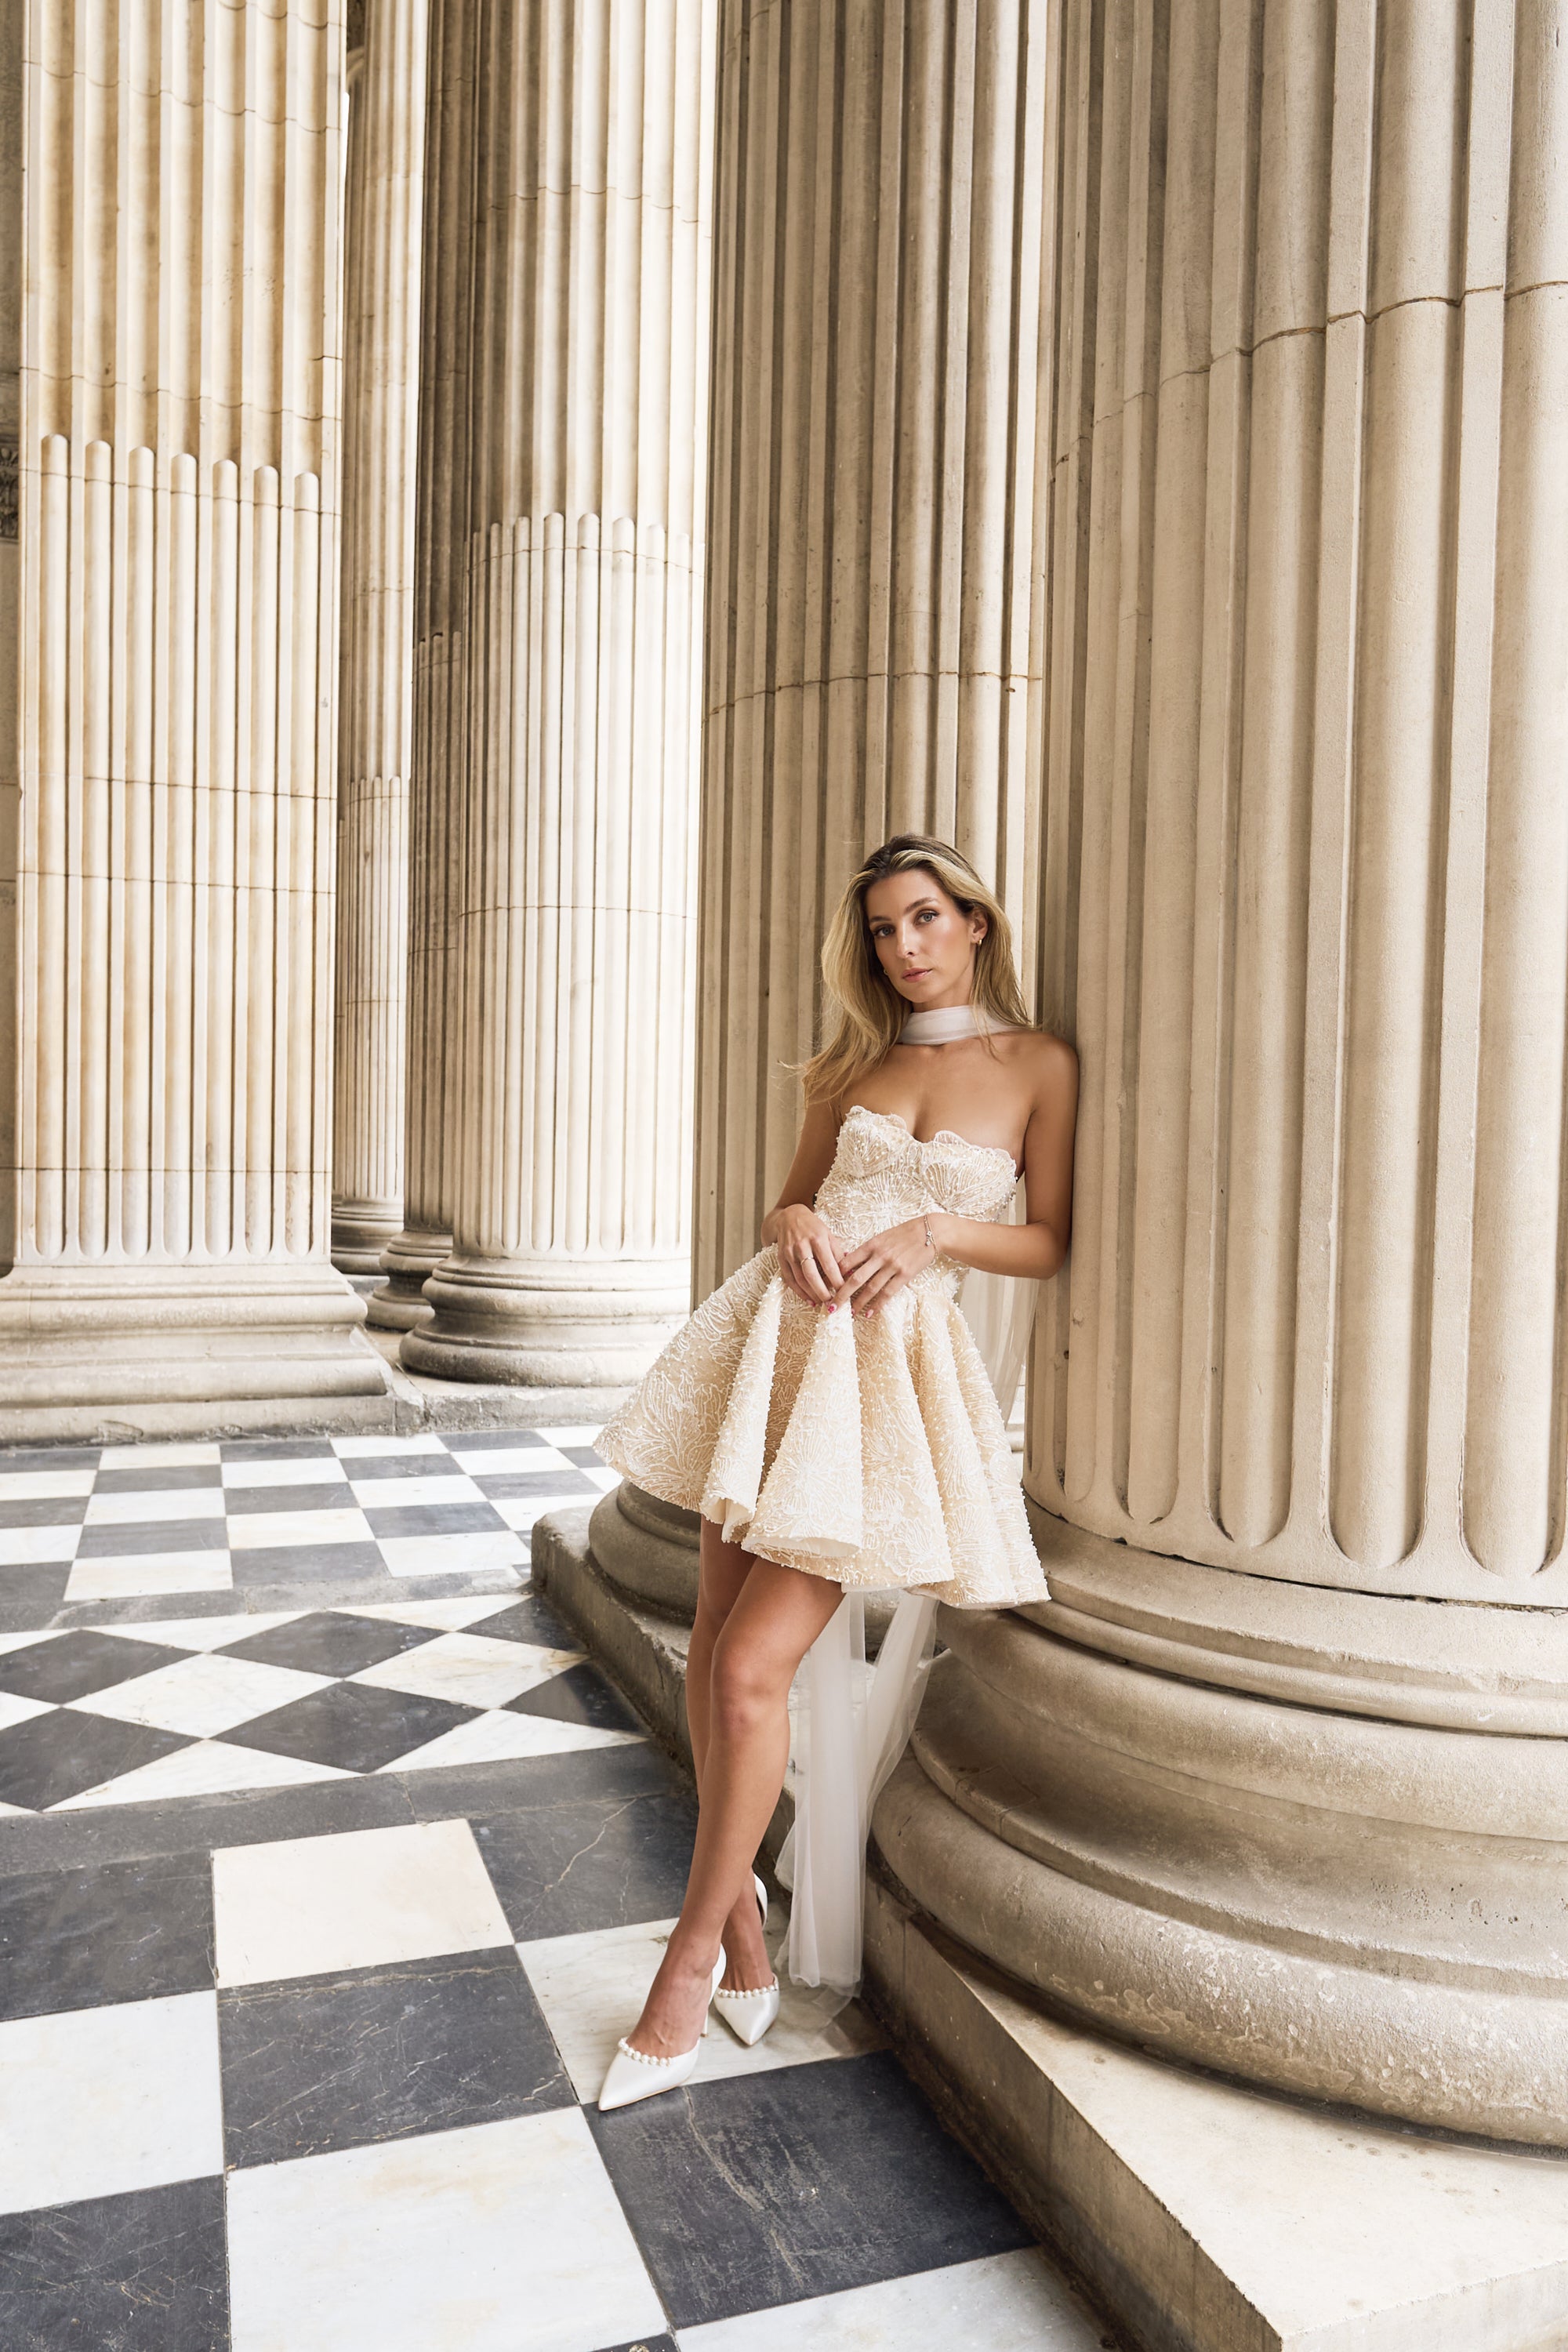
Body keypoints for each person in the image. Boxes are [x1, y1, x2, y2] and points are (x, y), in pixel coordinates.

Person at [594, 834, 1077, 2111]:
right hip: (780, 1347)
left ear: (975, 922)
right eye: (882, 929)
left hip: (884, 1386)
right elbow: (787, 1203)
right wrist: (798, 1219)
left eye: (925, 919)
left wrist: (935, 1232)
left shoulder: (1036, 1064)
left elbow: (1045, 1240)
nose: (904, 948)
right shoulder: (853, 1063)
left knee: (753, 1666)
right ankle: (745, 1928)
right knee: (711, 1644)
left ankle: (690, 1967)